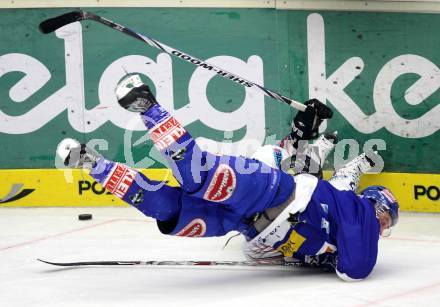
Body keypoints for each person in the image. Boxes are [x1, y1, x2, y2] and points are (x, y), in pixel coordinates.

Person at [57, 74, 399, 281]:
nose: (384, 226)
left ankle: (90, 162)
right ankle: (147, 107)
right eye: (386, 216)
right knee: (199, 176)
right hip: (271, 192)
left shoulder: (336, 228)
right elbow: (355, 263)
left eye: (388, 224)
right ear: (373, 204)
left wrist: (306, 135)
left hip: (240, 221)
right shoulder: (350, 204)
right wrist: (315, 138)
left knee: (164, 208)